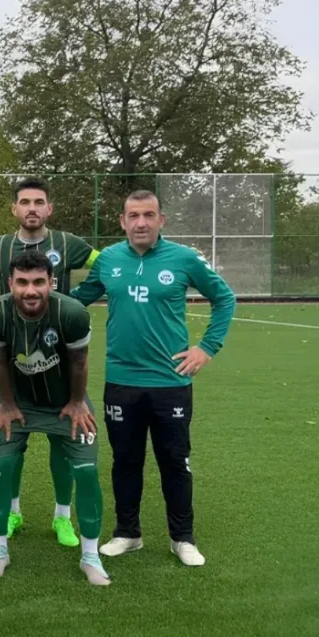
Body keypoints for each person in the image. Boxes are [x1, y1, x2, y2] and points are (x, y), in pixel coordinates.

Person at [71, 189, 236, 567]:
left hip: (170, 382)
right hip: (121, 381)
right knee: (125, 461)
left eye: (149, 215)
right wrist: (40, 299)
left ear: (161, 220)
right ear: (122, 221)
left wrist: (206, 348)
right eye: (133, 215)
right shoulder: (109, 259)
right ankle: (127, 533)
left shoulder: (184, 258)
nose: (141, 223)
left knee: (174, 461)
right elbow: (78, 298)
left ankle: (183, 538)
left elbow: (224, 298)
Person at [0, 176, 101, 547]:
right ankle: (13, 511)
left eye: (39, 202)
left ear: (49, 208)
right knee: (11, 443)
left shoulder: (68, 243)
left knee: (64, 444)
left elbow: (105, 263)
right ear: (14, 208)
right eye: (25, 202)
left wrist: (79, 298)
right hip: (16, 357)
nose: (32, 208)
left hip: (59, 352)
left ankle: (63, 516)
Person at [0, 250, 109, 585]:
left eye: (38, 282)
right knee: (0, 466)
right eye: (22, 282)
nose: (30, 290)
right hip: (17, 402)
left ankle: (90, 556)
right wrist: (7, 404)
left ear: (51, 283)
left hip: (66, 402)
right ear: (10, 283)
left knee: (87, 471)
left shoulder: (72, 313)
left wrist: (77, 402)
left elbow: (79, 362)